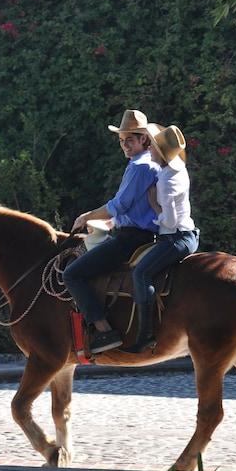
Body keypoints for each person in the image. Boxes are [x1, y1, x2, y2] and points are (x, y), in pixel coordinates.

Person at [63, 109, 160, 353]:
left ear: (143, 139)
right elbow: (130, 207)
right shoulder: (143, 163)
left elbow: (119, 205)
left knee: (72, 274)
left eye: (130, 139)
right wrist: (110, 222)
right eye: (121, 140)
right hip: (131, 231)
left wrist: (86, 216)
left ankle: (104, 331)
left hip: (132, 239)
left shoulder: (140, 166)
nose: (125, 145)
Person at [124, 124, 198, 353]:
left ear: (160, 152)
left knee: (141, 273)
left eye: (153, 147)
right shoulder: (177, 168)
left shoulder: (166, 181)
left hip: (176, 238)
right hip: (185, 234)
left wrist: (154, 204)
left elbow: (170, 221)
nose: (150, 150)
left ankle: (146, 334)